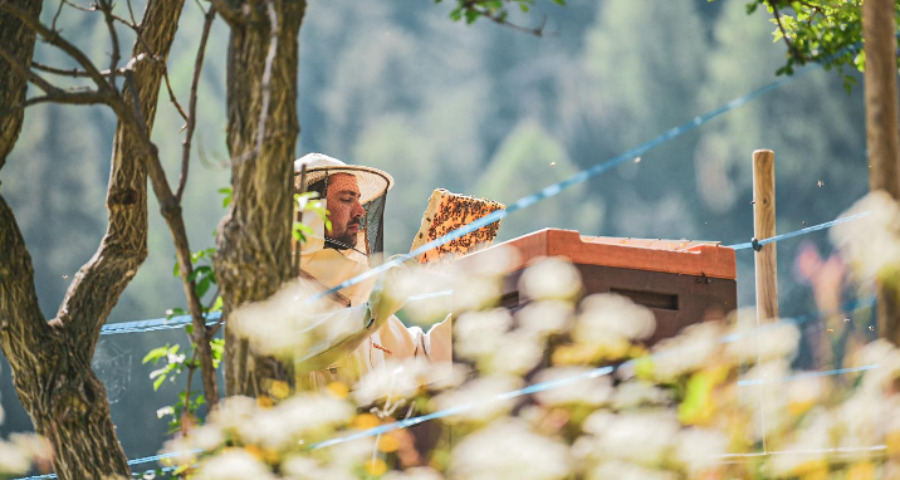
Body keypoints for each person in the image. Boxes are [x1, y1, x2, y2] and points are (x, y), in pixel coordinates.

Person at [292, 152, 452, 391]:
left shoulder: (361, 293)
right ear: (311, 211)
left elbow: (420, 359)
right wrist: (376, 306)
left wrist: (472, 315)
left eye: (359, 200)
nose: (361, 211)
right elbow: (310, 343)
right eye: (347, 199)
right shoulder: (280, 293)